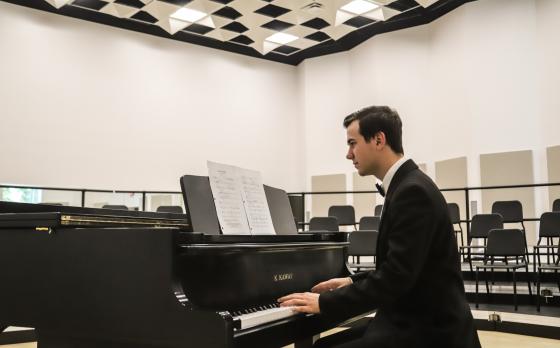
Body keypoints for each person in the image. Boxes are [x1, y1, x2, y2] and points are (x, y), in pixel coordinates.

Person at [278, 106, 481, 348]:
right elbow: (401, 268)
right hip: (412, 320)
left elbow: (396, 278)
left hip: (430, 332)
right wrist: (351, 283)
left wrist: (325, 303)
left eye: (353, 143)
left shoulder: (412, 191)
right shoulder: (407, 185)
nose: (348, 154)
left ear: (378, 140)